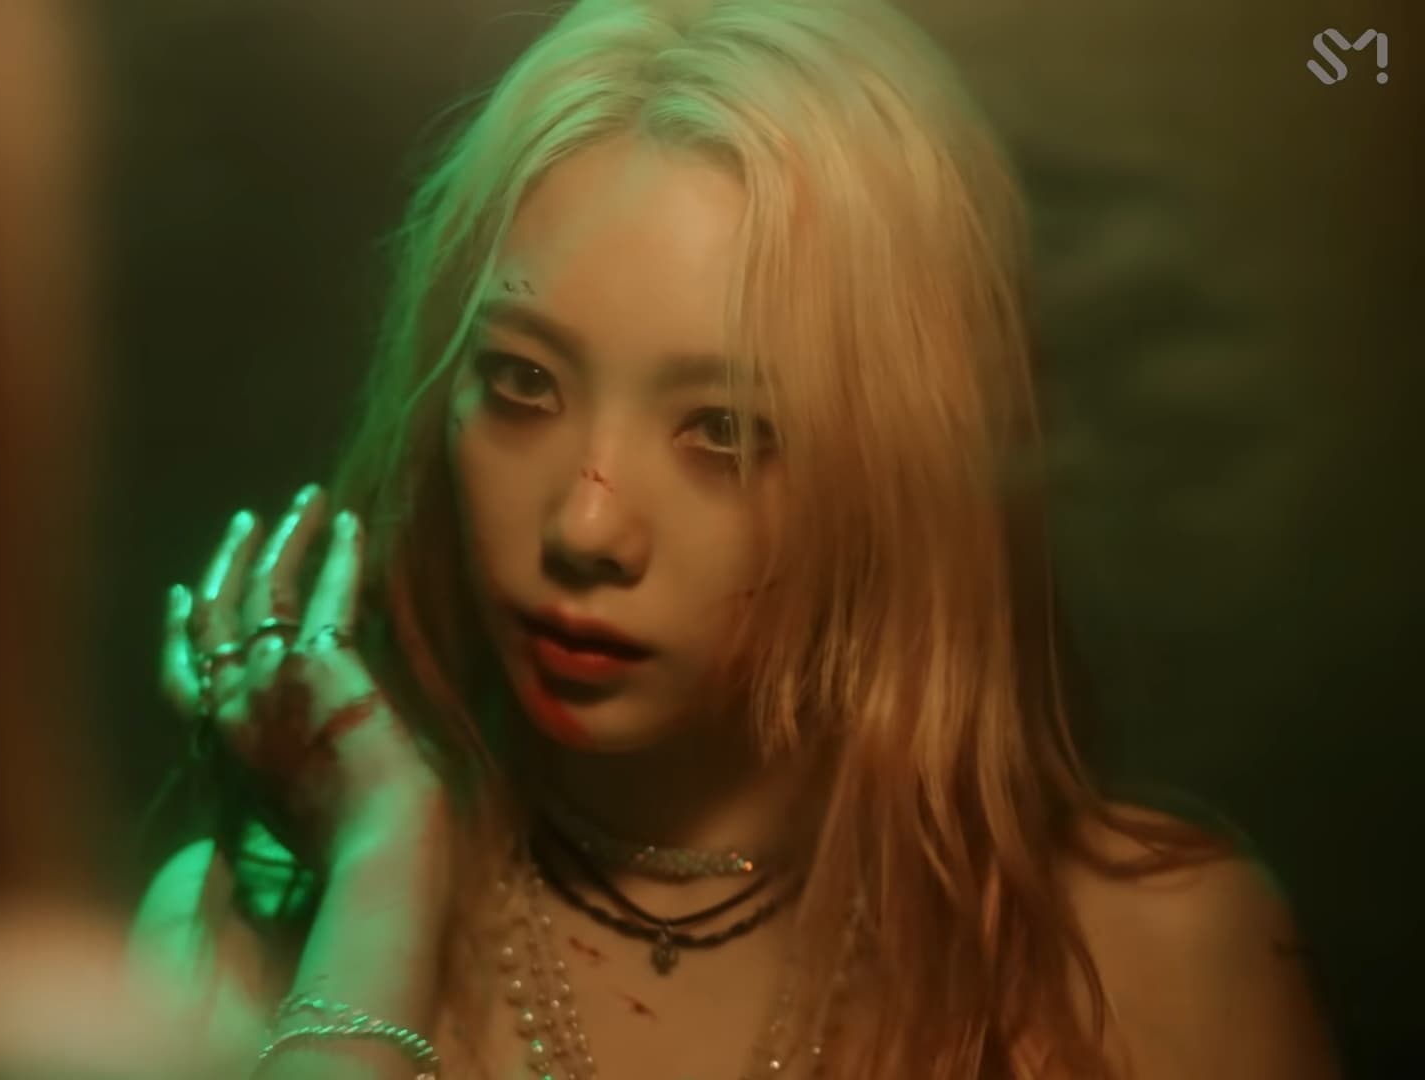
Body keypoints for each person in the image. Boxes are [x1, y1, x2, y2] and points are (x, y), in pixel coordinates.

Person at [132, 1, 1340, 1077]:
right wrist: (383, 885)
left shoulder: (1161, 959)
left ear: (899, 470)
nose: (586, 526)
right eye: (522, 383)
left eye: (723, 429)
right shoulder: (247, 938)